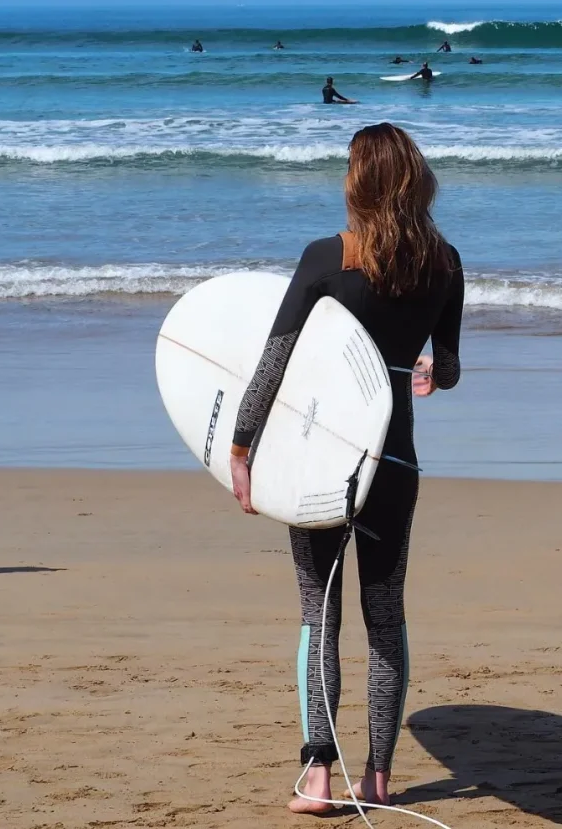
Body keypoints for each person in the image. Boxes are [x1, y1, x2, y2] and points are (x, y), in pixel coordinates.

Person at [229, 123, 464, 814]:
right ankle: (381, 777)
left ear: (357, 183)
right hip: (394, 460)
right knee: (385, 618)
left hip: (320, 459)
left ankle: (318, 776)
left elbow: (273, 362)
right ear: (416, 181)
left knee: (319, 612)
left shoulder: (327, 258)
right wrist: (424, 370)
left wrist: (240, 450)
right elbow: (445, 366)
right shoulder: (445, 263)